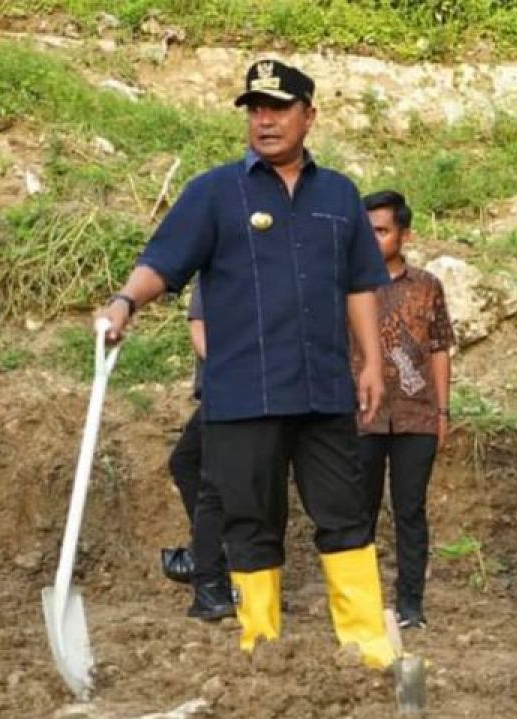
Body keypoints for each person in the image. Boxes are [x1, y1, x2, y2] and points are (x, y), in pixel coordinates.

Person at [98, 59, 396, 669]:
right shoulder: (214, 192)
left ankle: (367, 645)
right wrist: (125, 301)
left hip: (322, 391)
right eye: (255, 109)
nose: (265, 120)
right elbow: (165, 260)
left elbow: (362, 284)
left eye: (279, 108)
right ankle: (261, 646)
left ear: (308, 116)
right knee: (250, 521)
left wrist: (370, 361)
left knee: (345, 516)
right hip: (244, 394)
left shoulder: (338, 195)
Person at [355, 190, 453, 630]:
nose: (373, 238)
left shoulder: (427, 286)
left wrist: (443, 412)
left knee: (410, 510)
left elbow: (439, 349)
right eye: (367, 229)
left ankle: (411, 605)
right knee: (360, 511)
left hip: (416, 415)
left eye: (382, 230)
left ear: (404, 234)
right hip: (361, 415)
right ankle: (361, 603)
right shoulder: (349, 285)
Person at [163, 284, 234, 620]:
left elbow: (199, 330)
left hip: (228, 392)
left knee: (211, 483)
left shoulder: (219, 270)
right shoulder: (217, 273)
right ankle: (212, 552)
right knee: (186, 463)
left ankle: (213, 572)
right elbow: (199, 329)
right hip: (223, 390)